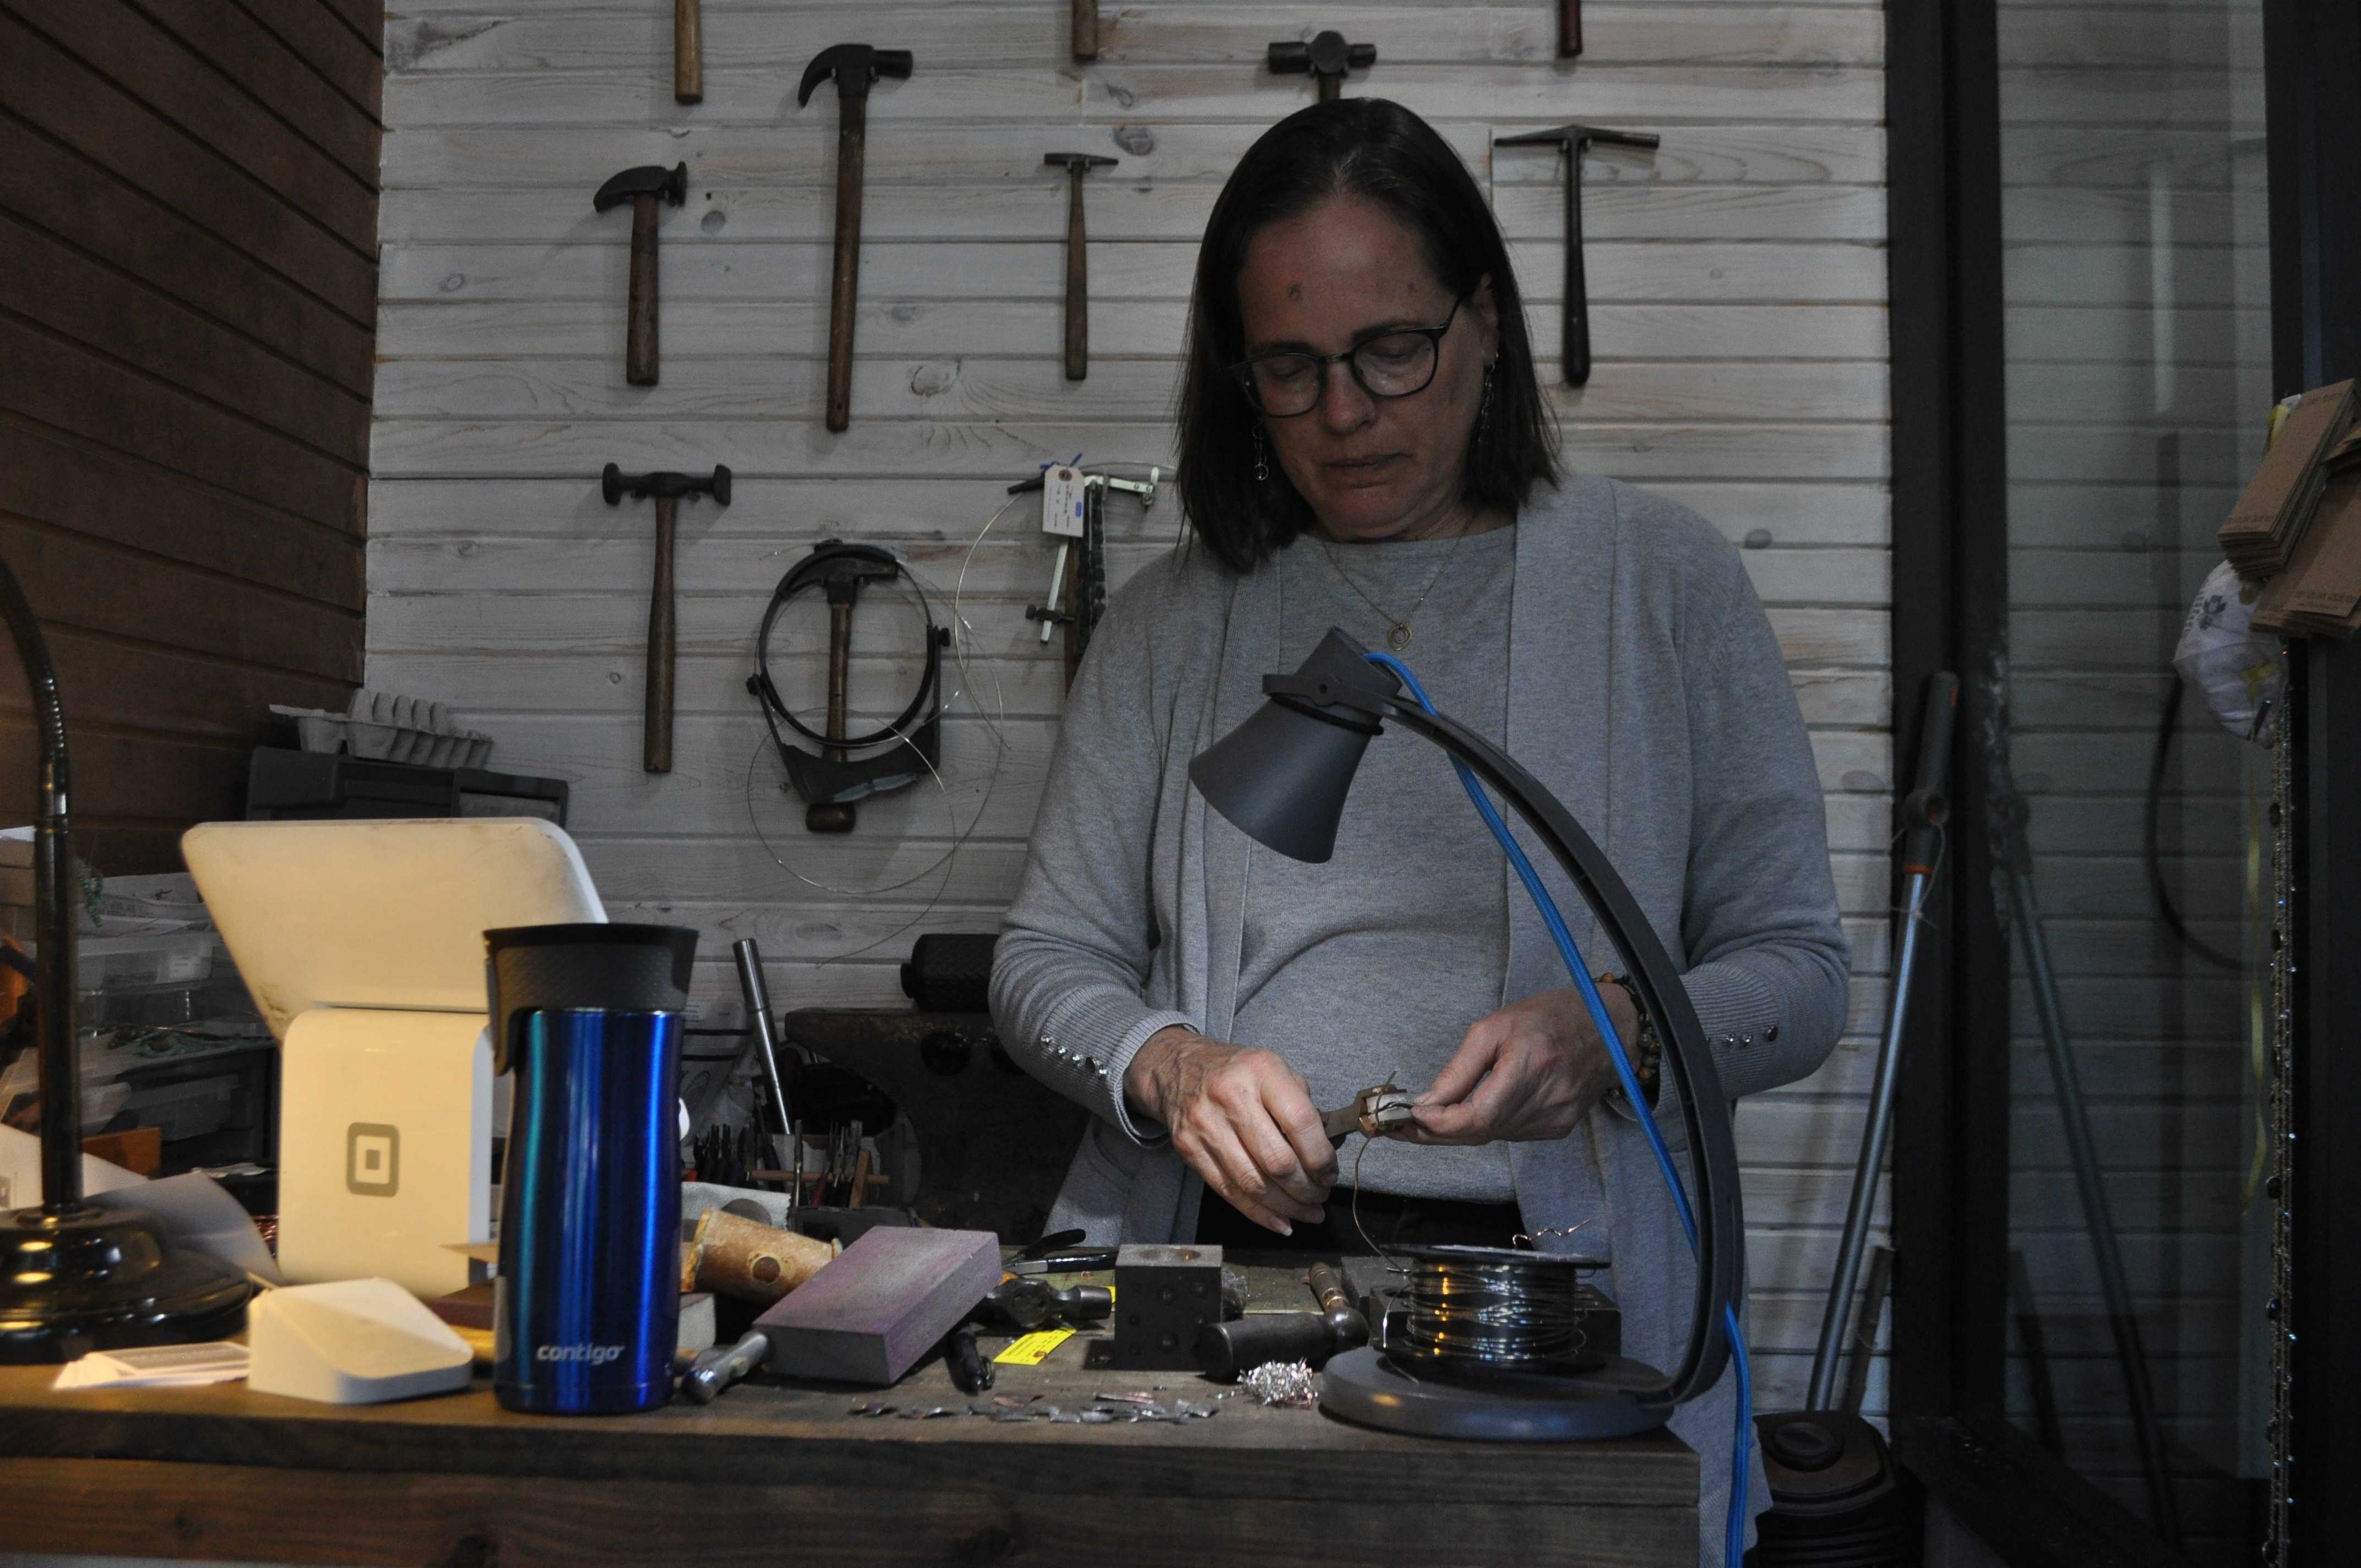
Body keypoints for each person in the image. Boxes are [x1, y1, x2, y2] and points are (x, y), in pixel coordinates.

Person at [991, 99, 1848, 1555]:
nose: (1345, 413)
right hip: (1233, 1276)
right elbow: (1041, 967)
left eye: (1395, 349)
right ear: (1236, 375)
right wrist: (1170, 1064)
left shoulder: (1665, 587)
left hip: (1559, 1302)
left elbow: (1801, 981)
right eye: (1291, 367)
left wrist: (1619, 1033)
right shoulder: (1174, 625)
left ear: (1490, 322)